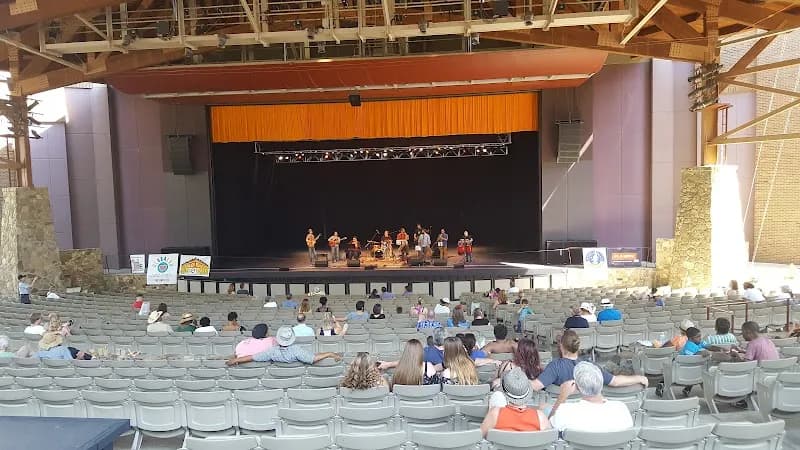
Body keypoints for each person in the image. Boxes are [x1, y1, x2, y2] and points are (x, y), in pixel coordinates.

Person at [530, 330, 648, 391]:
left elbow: (535, 386)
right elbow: (615, 381)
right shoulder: (590, 366)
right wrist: (639, 378)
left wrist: (514, 375)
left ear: (561, 346)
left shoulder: (554, 367)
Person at [549, 362, 634, 432]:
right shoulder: (621, 409)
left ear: (577, 387)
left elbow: (549, 430)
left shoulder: (565, 411)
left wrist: (562, 396)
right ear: (601, 382)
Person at [480, 367, 552, 437]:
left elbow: (479, 438)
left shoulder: (495, 414)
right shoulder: (540, 417)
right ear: (527, 391)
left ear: (504, 392)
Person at [227, 326, 342, 366]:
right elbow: (313, 358)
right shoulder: (296, 350)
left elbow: (251, 357)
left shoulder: (271, 352)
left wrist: (234, 360)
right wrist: (330, 353)